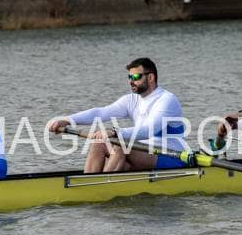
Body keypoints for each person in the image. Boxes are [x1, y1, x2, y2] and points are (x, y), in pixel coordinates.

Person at [48, 58, 186, 173]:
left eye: (136, 77)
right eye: (129, 77)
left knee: (120, 145)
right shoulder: (131, 100)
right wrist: (68, 120)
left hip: (171, 156)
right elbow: (100, 112)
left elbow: (149, 130)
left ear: (150, 77)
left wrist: (115, 132)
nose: (131, 81)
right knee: (99, 143)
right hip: (143, 154)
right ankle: (88, 182)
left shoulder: (167, 100)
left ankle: (102, 186)